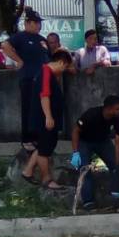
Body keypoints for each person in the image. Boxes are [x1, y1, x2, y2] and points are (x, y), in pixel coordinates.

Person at [21, 49, 73, 190]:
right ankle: (46, 179)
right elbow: (44, 96)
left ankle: (28, 170)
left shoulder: (48, 74)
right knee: (44, 150)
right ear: (61, 62)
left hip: (47, 118)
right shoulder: (45, 72)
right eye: (65, 67)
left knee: (45, 146)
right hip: (44, 119)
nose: (64, 70)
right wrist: (48, 117)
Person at [2, 8, 50, 151]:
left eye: (39, 23)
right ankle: (27, 138)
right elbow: (5, 45)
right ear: (27, 23)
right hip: (28, 78)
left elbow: (48, 57)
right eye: (35, 23)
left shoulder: (42, 39)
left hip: (42, 79)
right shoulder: (21, 37)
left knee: (40, 109)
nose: (38, 25)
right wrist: (18, 60)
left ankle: (37, 136)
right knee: (28, 109)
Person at [71, 95, 119, 209]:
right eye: (117, 109)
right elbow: (75, 131)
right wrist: (75, 152)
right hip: (84, 142)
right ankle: (88, 201)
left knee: (117, 167)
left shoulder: (118, 118)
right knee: (84, 170)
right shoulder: (91, 115)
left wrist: (118, 161)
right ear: (109, 109)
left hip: (103, 142)